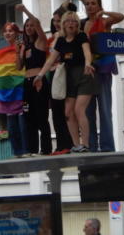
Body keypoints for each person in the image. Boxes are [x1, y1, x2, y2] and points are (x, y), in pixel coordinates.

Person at [34, 11, 97, 153]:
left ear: (77, 24)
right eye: (68, 21)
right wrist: (40, 75)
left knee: (79, 110)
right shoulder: (61, 40)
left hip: (84, 74)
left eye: (74, 21)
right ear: (63, 24)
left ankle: (85, 145)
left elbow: (87, 52)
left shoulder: (81, 36)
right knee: (68, 112)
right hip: (68, 77)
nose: (71, 23)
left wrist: (88, 63)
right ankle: (76, 145)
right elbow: (51, 59)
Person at [81, 0, 124, 152]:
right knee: (88, 111)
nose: (89, 6)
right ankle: (91, 146)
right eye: (87, 4)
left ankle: (107, 147)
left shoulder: (105, 21)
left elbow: (120, 16)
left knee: (105, 110)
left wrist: (104, 13)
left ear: (99, 6)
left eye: (93, 3)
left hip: (103, 69)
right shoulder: (82, 24)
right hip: (88, 70)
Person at [15, 4, 52, 156]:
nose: (30, 27)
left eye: (31, 25)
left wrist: (25, 11)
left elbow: (37, 22)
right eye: (27, 25)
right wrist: (18, 52)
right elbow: (18, 67)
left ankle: (46, 149)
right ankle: (31, 149)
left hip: (39, 82)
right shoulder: (25, 46)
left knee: (41, 116)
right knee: (28, 115)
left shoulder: (41, 41)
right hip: (27, 84)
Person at [47, 7, 74, 155]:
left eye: (59, 20)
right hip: (52, 74)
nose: (56, 23)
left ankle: (67, 144)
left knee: (64, 110)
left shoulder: (64, 37)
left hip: (63, 73)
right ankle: (60, 144)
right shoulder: (54, 36)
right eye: (54, 20)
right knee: (56, 110)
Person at [2, 22, 29, 157]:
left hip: (22, 89)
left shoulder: (22, 47)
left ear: (17, 33)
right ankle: (17, 152)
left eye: (11, 31)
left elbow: (19, 67)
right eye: (6, 31)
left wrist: (18, 51)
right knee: (11, 125)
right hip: (9, 91)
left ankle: (26, 150)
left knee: (23, 121)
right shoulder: (3, 52)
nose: (8, 33)